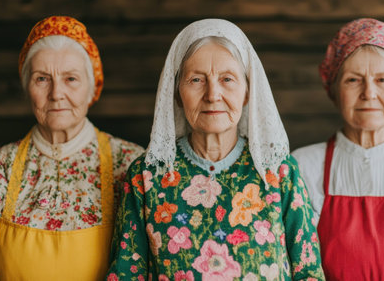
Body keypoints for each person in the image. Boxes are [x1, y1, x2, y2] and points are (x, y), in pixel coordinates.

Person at [106, 18, 324, 281]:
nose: (212, 94)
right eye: (196, 79)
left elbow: (309, 273)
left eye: (227, 79)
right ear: (176, 93)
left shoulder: (278, 171)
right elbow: (126, 274)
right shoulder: (147, 175)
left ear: (247, 92)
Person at [0, 16, 144, 280]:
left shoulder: (131, 165)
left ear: (92, 88)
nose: (56, 93)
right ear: (27, 87)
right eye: (42, 79)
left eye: (70, 78)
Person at [292, 18, 384, 280]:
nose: (368, 93)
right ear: (334, 91)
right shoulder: (300, 168)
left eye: (382, 80)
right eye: (353, 80)